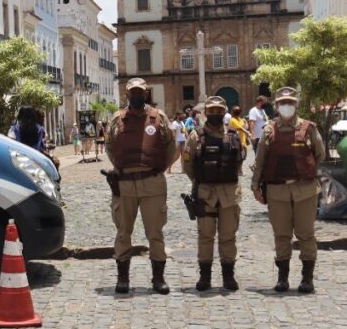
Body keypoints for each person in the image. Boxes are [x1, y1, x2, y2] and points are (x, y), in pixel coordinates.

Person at [105, 78, 176, 295]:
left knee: (155, 233)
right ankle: (123, 278)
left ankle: (158, 278)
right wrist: (120, 167)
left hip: (152, 183)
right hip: (125, 184)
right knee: (123, 232)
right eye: (132, 92)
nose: (136, 95)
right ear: (127, 94)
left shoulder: (159, 117)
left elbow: (170, 147)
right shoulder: (118, 119)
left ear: (146, 94)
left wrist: (158, 168)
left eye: (140, 92)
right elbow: (109, 146)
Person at [252, 87, 325, 294]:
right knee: (281, 235)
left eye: (290, 103)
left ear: (296, 105)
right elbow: (260, 161)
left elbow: (319, 155)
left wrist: (303, 169)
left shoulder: (309, 128)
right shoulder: (269, 130)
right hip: (277, 191)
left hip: (305, 190)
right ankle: (282, 278)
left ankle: (307, 279)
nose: (286, 106)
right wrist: (255, 186)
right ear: (276, 106)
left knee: (306, 234)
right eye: (283, 103)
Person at [182, 96, 247, 291]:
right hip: (205, 193)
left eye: (219, 111)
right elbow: (187, 163)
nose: (215, 114)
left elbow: (239, 161)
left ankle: (228, 276)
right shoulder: (196, 136)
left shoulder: (234, 136)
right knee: (205, 235)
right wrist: (199, 181)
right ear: (205, 112)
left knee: (228, 236)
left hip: (229, 194)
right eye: (212, 111)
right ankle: (205, 277)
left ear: (224, 112)